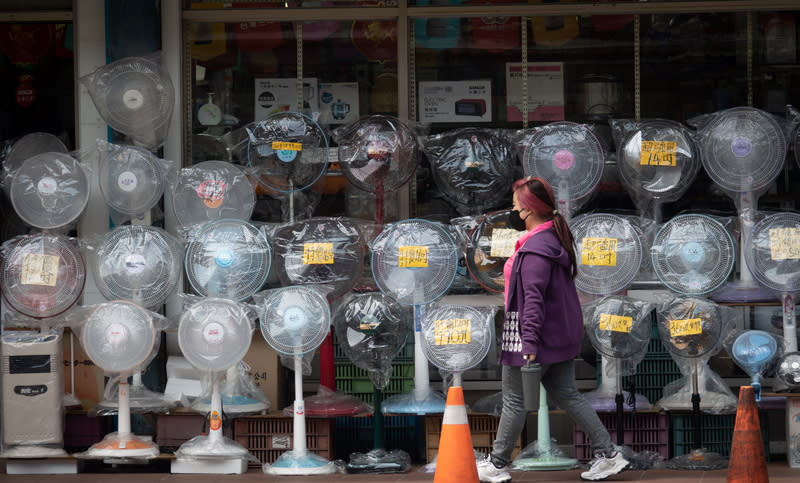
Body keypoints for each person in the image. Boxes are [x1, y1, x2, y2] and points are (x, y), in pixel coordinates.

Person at [476, 177, 630, 483]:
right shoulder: (553, 240)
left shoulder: (535, 249)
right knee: (568, 395)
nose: (513, 206)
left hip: (533, 336)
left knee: (515, 400)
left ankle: (496, 463)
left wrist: (528, 340)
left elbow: (532, 298)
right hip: (559, 334)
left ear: (528, 210)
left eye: (516, 201)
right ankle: (609, 454)